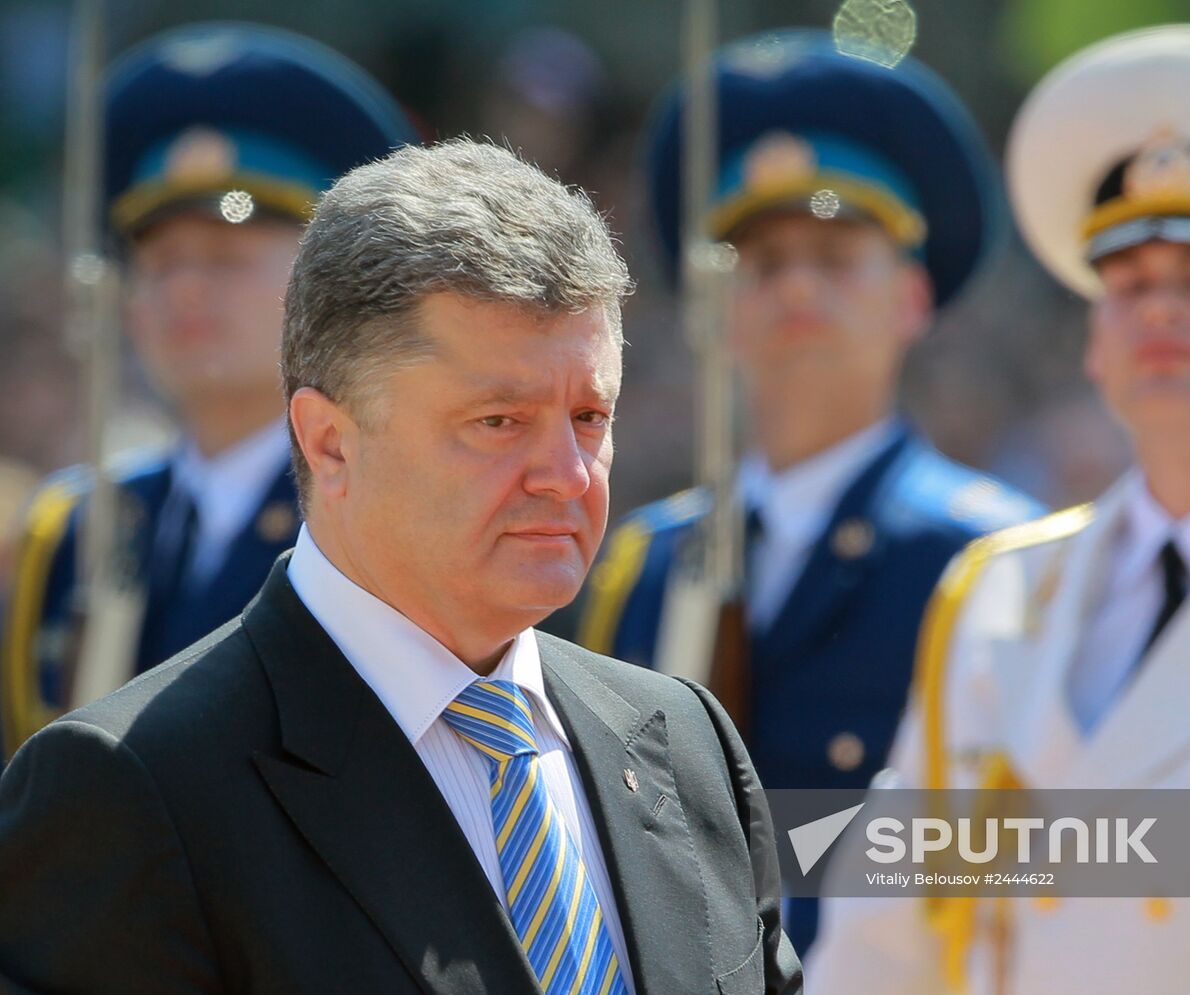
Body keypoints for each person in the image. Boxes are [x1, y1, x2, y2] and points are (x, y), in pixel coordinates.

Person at [0, 135, 801, 994]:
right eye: (498, 420)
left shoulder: (685, 741)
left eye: (589, 416)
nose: (568, 473)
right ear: (330, 442)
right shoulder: (132, 786)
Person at [806, 24, 1190, 994]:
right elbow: (884, 940)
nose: (1159, 309)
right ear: (1091, 341)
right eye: (1125, 284)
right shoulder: (994, 591)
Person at [576, 31, 1040, 954]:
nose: (794, 287)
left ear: (911, 296)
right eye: (761, 259)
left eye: (835, 258)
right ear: (714, 305)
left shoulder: (994, 558)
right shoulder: (644, 560)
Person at [1, 23, 420, 758]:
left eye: (226, 257)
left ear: (329, 290)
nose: (185, 288)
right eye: (159, 261)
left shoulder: (389, 518)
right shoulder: (73, 532)